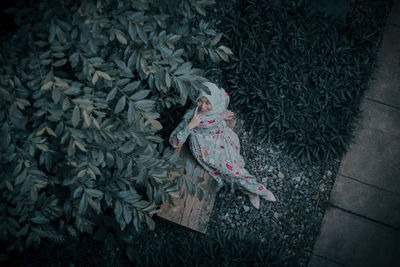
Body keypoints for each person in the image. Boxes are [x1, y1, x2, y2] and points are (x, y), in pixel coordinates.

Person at [169, 82, 276, 209]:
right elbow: (174, 142)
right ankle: (259, 191)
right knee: (233, 170)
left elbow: (225, 97)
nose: (203, 106)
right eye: (200, 101)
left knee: (235, 165)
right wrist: (190, 126)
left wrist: (223, 113)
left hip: (221, 135)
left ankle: (250, 191)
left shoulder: (220, 101)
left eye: (208, 102)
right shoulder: (191, 116)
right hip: (205, 147)